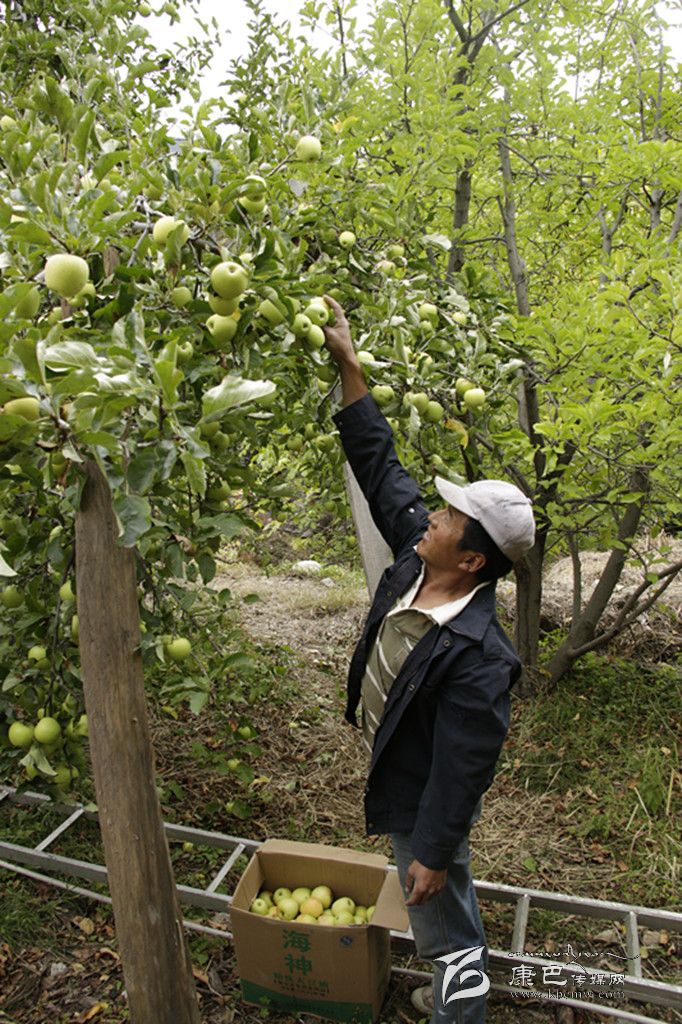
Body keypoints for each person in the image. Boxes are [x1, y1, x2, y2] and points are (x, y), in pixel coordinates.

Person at [321, 295, 536, 1024]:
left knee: (438, 911)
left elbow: (463, 767)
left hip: (419, 793)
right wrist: (349, 365)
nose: (430, 514)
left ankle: (459, 1009)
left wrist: (435, 851)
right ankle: (453, 985)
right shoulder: (419, 557)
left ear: (472, 559)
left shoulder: (481, 657)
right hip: (400, 768)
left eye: (447, 516)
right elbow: (380, 465)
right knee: (441, 902)